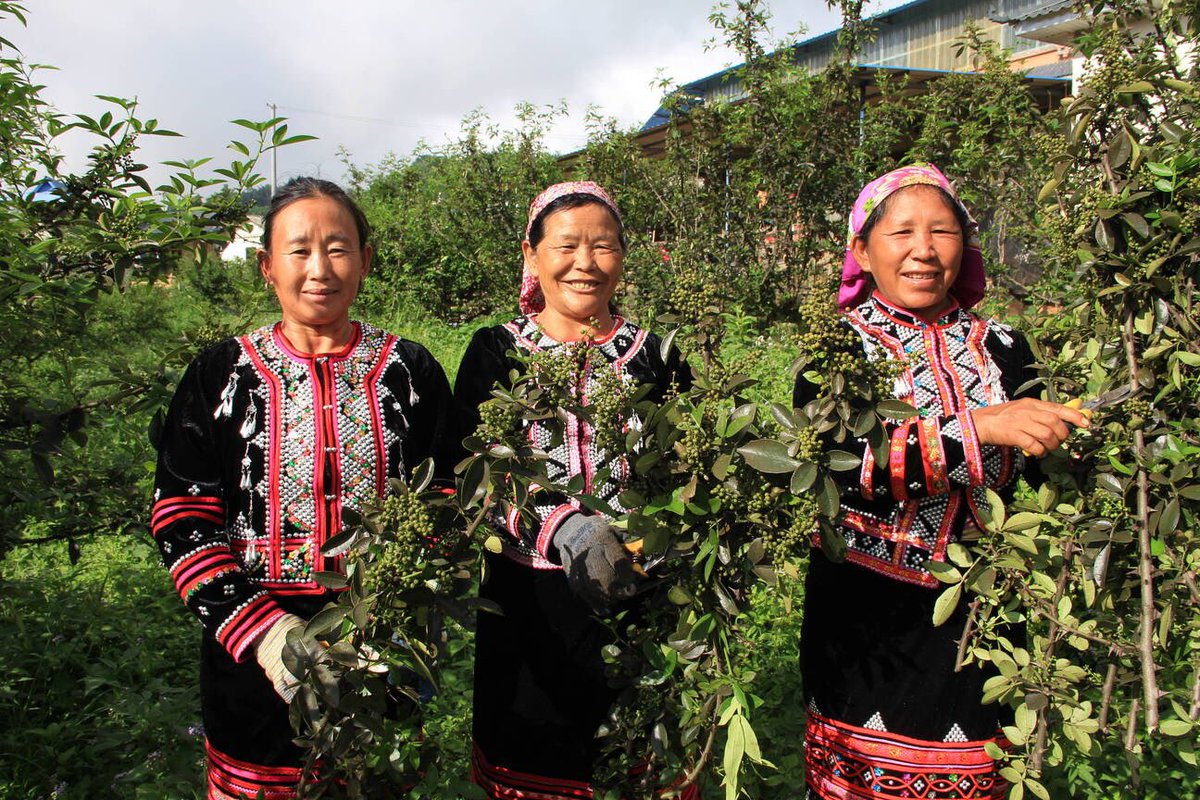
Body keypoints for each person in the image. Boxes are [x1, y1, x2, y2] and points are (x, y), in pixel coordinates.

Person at [150, 177, 453, 800]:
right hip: (251, 663)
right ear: (266, 266)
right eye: (299, 250)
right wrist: (264, 632)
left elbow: (445, 499)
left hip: (380, 648)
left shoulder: (411, 371)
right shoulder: (219, 374)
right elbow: (181, 516)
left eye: (339, 248)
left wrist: (406, 609)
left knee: (374, 781)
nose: (320, 268)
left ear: (366, 261)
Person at [793, 164, 1089, 800]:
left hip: (986, 610)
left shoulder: (1007, 347)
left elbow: (1045, 463)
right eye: (901, 232)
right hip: (868, 617)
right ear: (862, 251)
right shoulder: (836, 353)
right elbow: (844, 469)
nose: (924, 250)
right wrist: (980, 427)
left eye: (943, 232)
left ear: (966, 245)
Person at [454, 181, 694, 799]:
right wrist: (567, 525)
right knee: (538, 765)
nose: (585, 263)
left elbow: (692, 464)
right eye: (565, 246)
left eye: (604, 246)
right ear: (532, 256)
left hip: (644, 594)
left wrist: (670, 532)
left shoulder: (658, 355)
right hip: (531, 606)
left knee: (644, 758)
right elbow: (479, 468)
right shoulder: (496, 349)